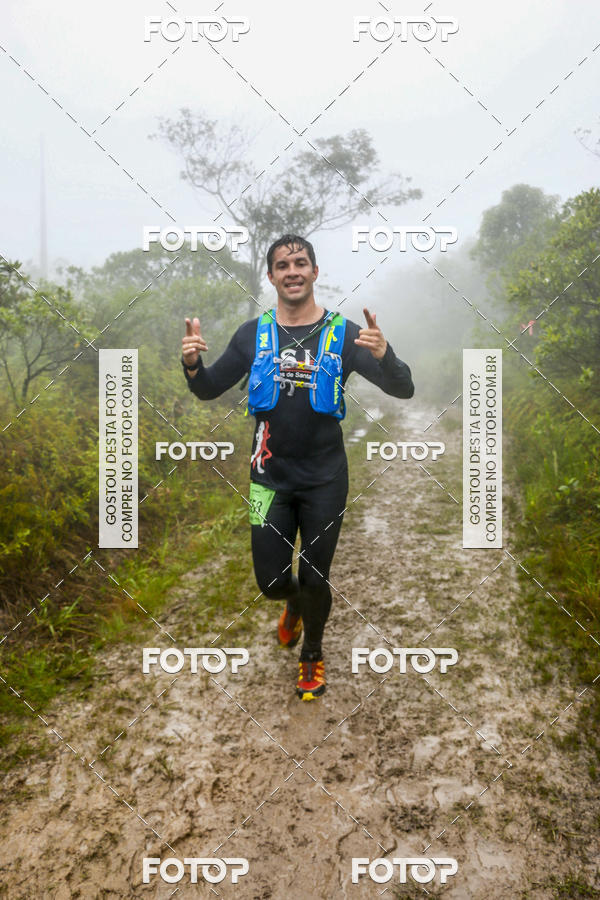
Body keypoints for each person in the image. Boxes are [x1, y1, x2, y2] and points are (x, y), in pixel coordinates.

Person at [181, 234, 414, 700]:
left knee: (314, 575)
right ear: (271, 276)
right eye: (283, 265)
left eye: (301, 263)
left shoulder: (344, 334)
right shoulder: (252, 335)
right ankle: (293, 606)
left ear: (314, 272)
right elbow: (208, 388)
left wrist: (384, 354)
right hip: (268, 478)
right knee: (270, 582)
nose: (293, 271)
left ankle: (312, 654)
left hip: (325, 479)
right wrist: (191, 364)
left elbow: (402, 389)